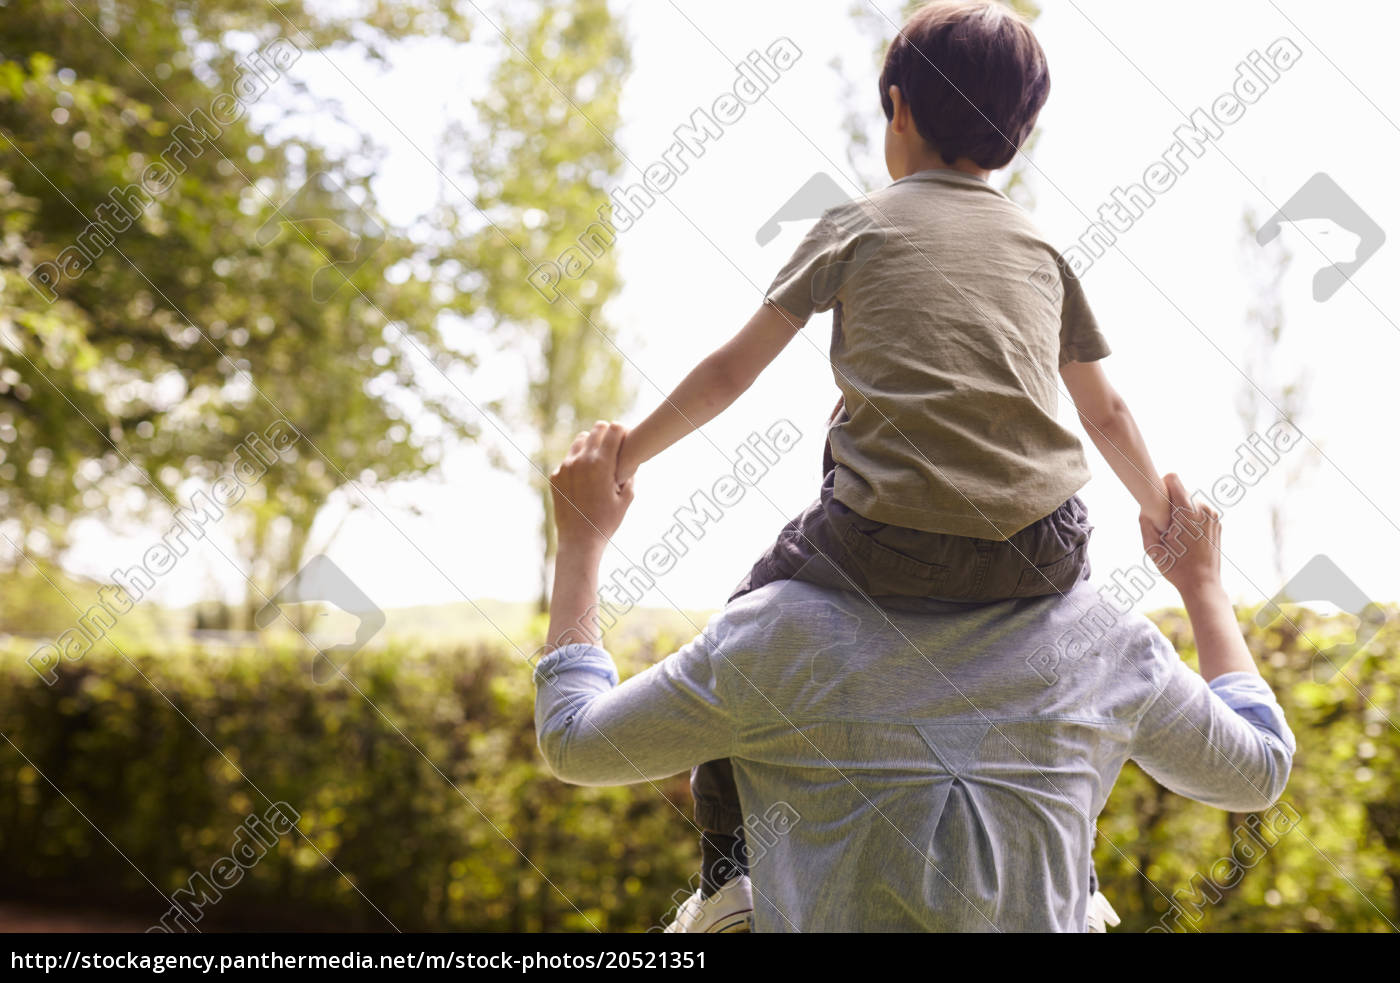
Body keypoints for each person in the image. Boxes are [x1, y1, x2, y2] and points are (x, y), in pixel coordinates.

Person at [609, 1, 1172, 920]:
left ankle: (726, 883)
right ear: (1020, 135)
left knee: (743, 638)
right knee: (1076, 682)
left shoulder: (855, 226)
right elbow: (1103, 409)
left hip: (882, 539)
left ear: (898, 109)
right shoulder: (1040, 247)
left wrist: (629, 453)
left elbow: (729, 370)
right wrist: (1158, 505)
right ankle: (1082, 878)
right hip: (1039, 546)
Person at [535, 423, 1294, 931]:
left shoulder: (773, 634)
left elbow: (573, 739)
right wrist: (1201, 586)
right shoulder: (1108, 642)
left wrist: (581, 542)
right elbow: (1257, 768)